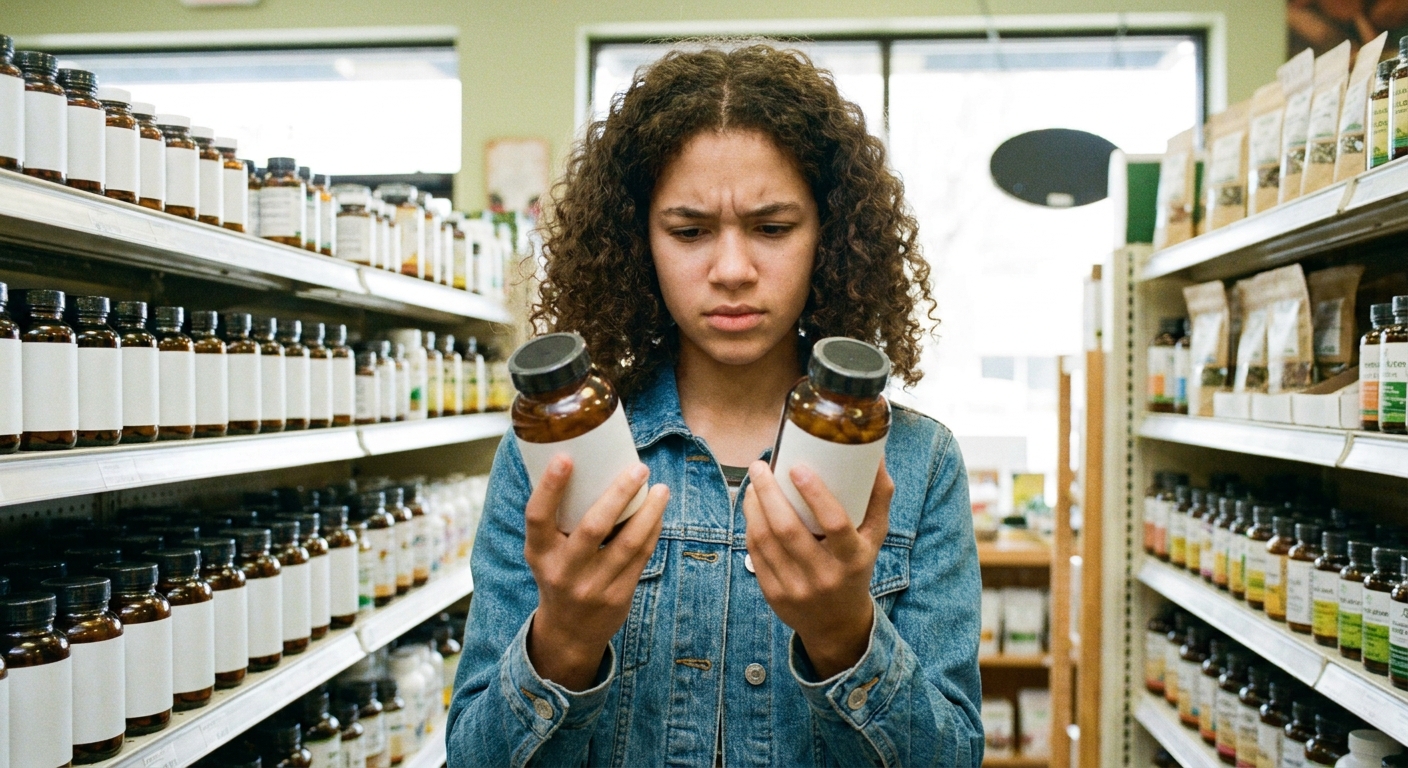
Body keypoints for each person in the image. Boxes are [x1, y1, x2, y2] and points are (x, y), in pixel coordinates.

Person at [446, 44, 983, 766]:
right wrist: (563, 645)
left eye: (772, 228)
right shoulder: (551, 459)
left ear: (828, 237)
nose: (732, 270)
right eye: (690, 231)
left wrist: (847, 637)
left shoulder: (917, 462)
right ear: (639, 242)